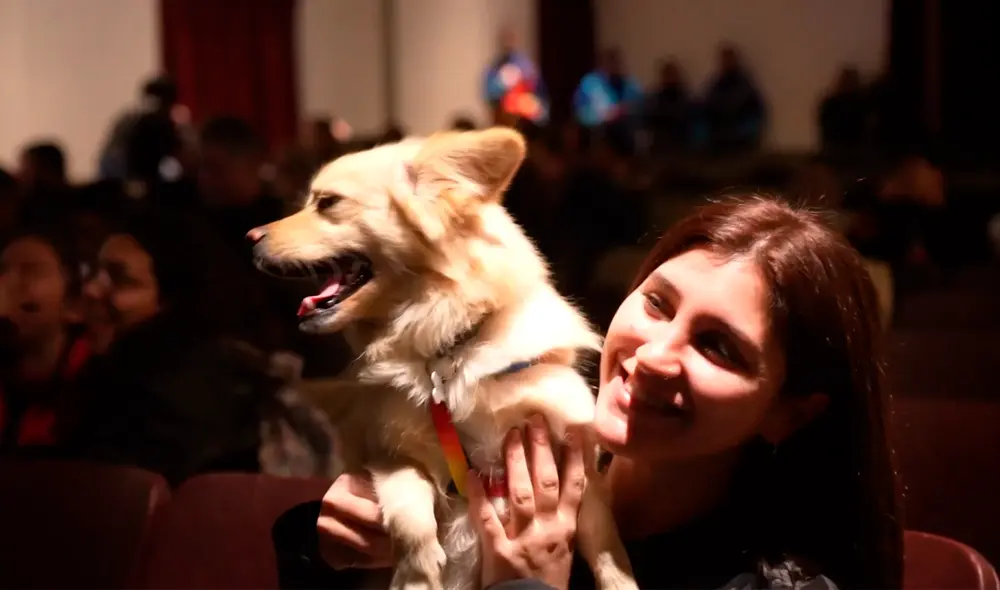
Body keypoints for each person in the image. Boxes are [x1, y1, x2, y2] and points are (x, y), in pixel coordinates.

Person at [277, 197, 902, 589]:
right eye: (657, 304)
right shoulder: (511, 456)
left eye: (718, 347)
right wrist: (331, 552)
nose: (654, 356)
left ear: (789, 413)